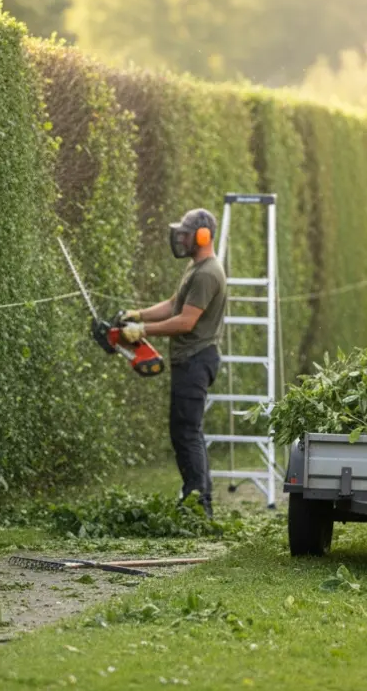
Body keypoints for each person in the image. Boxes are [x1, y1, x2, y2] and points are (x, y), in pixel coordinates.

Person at [120, 208, 227, 518]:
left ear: (203, 236)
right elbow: (173, 305)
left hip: (196, 359)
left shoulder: (208, 273)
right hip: (190, 360)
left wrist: (142, 332)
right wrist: (138, 315)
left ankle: (198, 503)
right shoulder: (197, 268)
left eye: (186, 233)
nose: (180, 238)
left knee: (187, 432)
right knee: (186, 430)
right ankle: (197, 498)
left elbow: (185, 322)